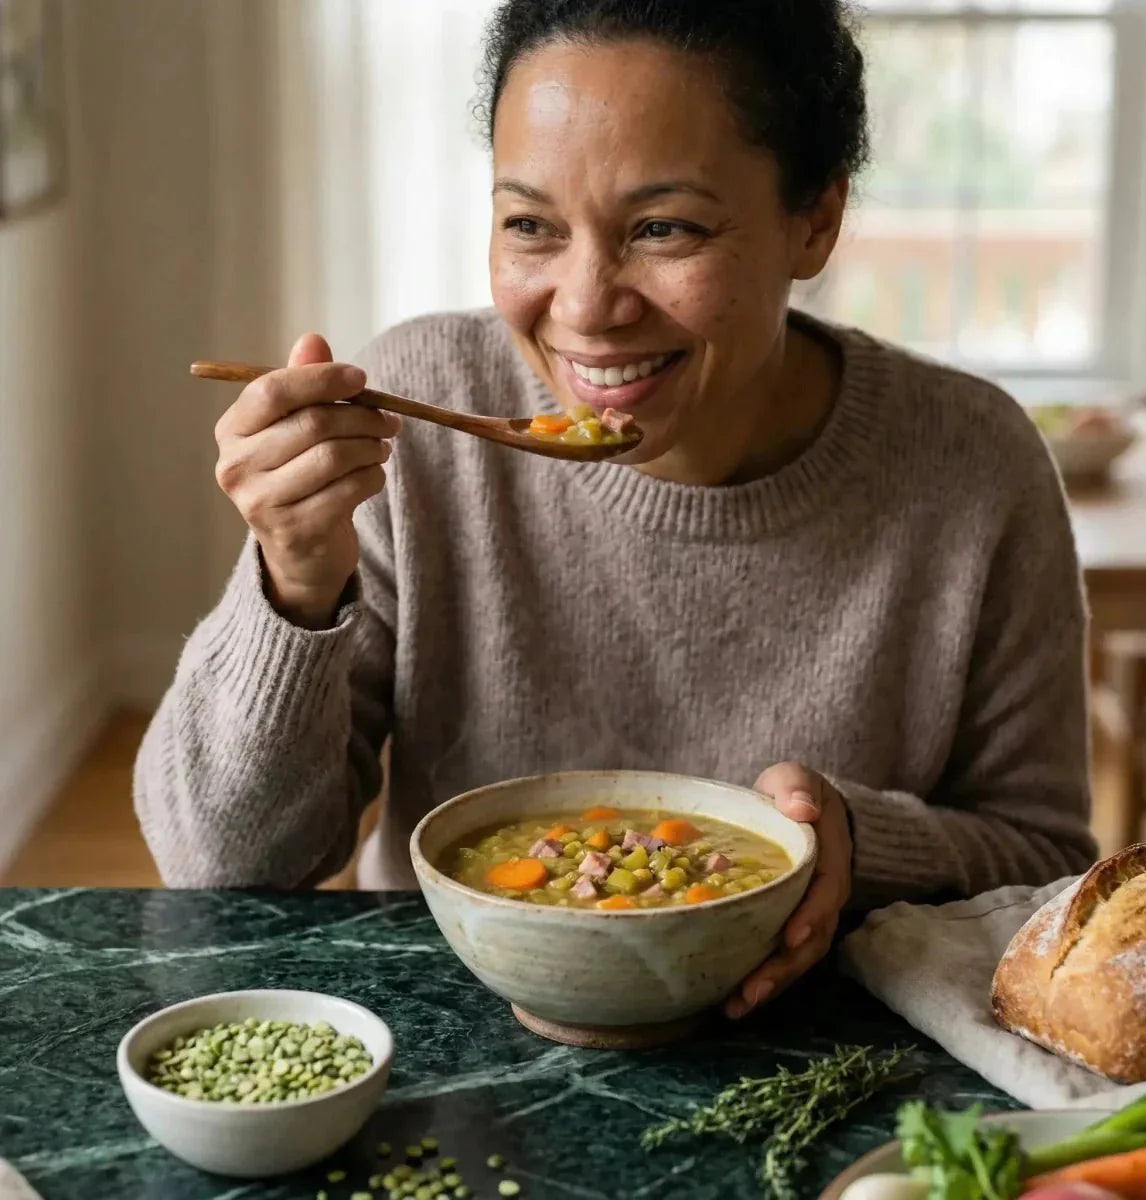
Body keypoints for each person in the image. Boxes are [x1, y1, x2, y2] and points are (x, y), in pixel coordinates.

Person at [136, 0, 1097, 1021]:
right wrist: (290, 580)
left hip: (824, 1052)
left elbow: (1044, 865)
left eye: (662, 229)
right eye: (530, 227)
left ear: (814, 218)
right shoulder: (417, 413)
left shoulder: (972, 461)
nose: (588, 306)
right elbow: (223, 871)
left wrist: (863, 842)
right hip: (464, 1043)